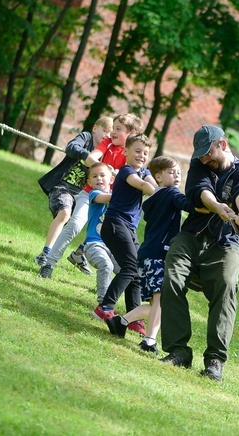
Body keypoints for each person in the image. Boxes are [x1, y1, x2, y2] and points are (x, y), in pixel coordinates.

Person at [159, 125, 239, 382]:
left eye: (208, 153)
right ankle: (179, 351)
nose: (204, 159)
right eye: (200, 155)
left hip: (225, 242)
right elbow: (200, 192)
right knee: (171, 278)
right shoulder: (199, 164)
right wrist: (217, 206)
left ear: (222, 144)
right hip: (191, 236)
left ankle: (215, 359)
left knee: (226, 285)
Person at [105, 156, 195, 355]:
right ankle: (149, 341)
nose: (177, 176)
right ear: (158, 177)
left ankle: (120, 321)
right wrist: (209, 204)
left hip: (145, 254)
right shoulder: (171, 193)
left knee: (158, 304)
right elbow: (189, 205)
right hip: (158, 255)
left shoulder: (154, 198)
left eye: (179, 173)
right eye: (171, 172)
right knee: (161, 300)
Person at [39, 113, 142, 278]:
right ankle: (49, 263)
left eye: (118, 129)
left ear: (129, 133)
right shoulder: (107, 143)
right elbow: (90, 159)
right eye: (113, 128)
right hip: (89, 194)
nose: (112, 132)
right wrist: (105, 170)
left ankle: (109, 282)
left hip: (112, 201)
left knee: (111, 240)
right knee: (75, 225)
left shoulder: (131, 153)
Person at [92, 134, 157, 335]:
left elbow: (151, 180)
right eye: (137, 151)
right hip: (114, 224)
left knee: (137, 269)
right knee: (130, 266)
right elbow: (142, 184)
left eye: (145, 153)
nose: (141, 156)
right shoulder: (127, 172)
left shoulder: (144, 171)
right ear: (126, 151)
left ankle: (133, 318)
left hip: (128, 227)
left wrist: (158, 187)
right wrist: (153, 189)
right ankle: (105, 307)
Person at [34, 116, 112, 267]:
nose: (107, 136)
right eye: (105, 131)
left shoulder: (104, 153)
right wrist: (88, 157)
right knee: (64, 214)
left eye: (110, 134)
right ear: (95, 128)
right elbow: (71, 147)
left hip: (81, 194)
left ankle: (79, 254)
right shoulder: (86, 137)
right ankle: (45, 254)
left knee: (98, 220)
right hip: (62, 186)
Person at [82, 161, 119, 305]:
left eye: (103, 175)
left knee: (125, 271)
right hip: (93, 245)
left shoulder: (114, 194)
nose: (99, 178)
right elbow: (108, 198)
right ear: (89, 182)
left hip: (112, 246)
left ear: (111, 179)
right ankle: (103, 303)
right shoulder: (94, 194)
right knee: (106, 265)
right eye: (95, 176)